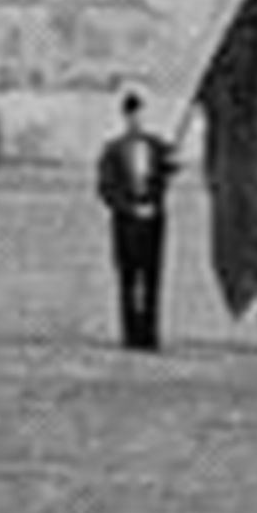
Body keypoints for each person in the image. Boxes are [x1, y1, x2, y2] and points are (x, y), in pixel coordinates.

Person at [95, 87, 176, 350]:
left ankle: (150, 335)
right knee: (129, 277)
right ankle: (131, 335)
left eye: (140, 116)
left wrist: (170, 168)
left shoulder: (156, 146)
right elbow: (106, 188)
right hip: (126, 221)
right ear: (125, 118)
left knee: (153, 276)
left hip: (154, 218)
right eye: (132, 117)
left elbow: (168, 172)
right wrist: (129, 208)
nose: (136, 121)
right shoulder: (113, 149)